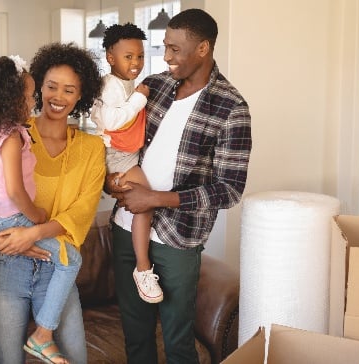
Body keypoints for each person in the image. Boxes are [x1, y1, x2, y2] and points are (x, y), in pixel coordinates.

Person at [105, 9, 252, 363]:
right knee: (136, 336)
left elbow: (229, 189)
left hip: (178, 238)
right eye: (165, 47)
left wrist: (153, 198)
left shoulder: (231, 108)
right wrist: (111, 182)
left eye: (175, 49)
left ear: (202, 49)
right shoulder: (153, 87)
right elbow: (117, 140)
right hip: (126, 226)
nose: (166, 57)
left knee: (178, 342)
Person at [0, 42, 105, 364]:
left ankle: (43, 336)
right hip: (4, 269)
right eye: (51, 86)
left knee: (76, 359)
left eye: (69, 89)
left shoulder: (92, 149)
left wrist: (32, 234)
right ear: (37, 89)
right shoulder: (11, 134)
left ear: (81, 95)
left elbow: (81, 212)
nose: (58, 96)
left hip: (55, 274)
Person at [90, 23, 163, 304]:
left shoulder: (124, 83)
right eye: (128, 56)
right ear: (110, 57)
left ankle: (141, 263)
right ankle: (143, 268)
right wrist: (140, 98)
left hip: (124, 153)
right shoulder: (111, 85)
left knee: (136, 200)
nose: (135, 63)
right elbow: (113, 121)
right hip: (117, 155)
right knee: (145, 202)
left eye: (140, 56)